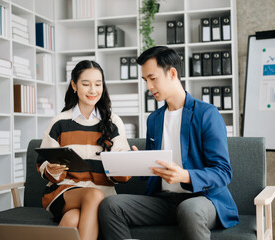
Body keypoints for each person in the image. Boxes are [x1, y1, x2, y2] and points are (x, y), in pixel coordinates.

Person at [98, 46, 239, 240]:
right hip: (164, 202)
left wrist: (185, 176)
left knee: (190, 209)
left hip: (202, 200)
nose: (148, 86)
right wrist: (137, 162)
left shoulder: (207, 114)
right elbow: (156, 170)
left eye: (153, 78)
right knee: (110, 205)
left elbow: (223, 172)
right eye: (145, 80)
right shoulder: (154, 119)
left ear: (172, 73)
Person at [37, 60, 130, 240]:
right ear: (74, 85)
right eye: (86, 84)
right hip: (65, 193)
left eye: (98, 84)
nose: (93, 90)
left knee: (72, 219)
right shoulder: (59, 122)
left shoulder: (113, 122)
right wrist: (51, 169)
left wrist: (126, 161)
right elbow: (43, 163)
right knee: (93, 195)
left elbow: (122, 172)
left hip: (104, 195)